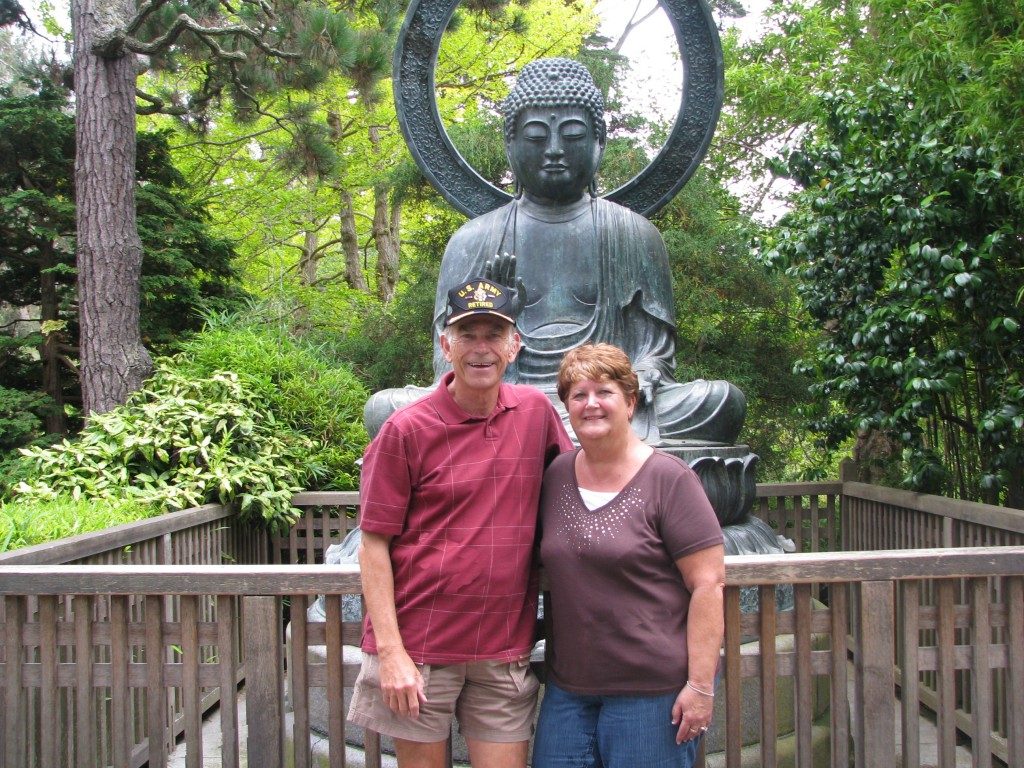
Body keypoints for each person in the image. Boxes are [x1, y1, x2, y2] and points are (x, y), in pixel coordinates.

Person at [431, 57, 745, 446]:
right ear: (510, 145)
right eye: (535, 137)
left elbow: (655, 352)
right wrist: (498, 317)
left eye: (574, 135)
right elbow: (443, 362)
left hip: (606, 402)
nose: (555, 150)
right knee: (388, 407)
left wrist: (646, 374)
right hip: (506, 403)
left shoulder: (633, 233)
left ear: (600, 143)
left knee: (718, 401)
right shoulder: (473, 239)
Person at [348, 277, 573, 768]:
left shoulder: (536, 413)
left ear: (514, 346)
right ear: (446, 345)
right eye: (467, 335)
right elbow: (373, 546)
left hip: (502, 645)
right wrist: (390, 653)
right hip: (419, 647)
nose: (480, 349)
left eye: (493, 334)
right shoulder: (406, 429)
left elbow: (580, 485)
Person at [532, 343, 725, 768]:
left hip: (651, 693)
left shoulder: (669, 479)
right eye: (578, 395)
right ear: (565, 406)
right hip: (568, 688)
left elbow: (708, 584)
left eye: (604, 392)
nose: (591, 404)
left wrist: (700, 686)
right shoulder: (556, 475)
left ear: (631, 401)